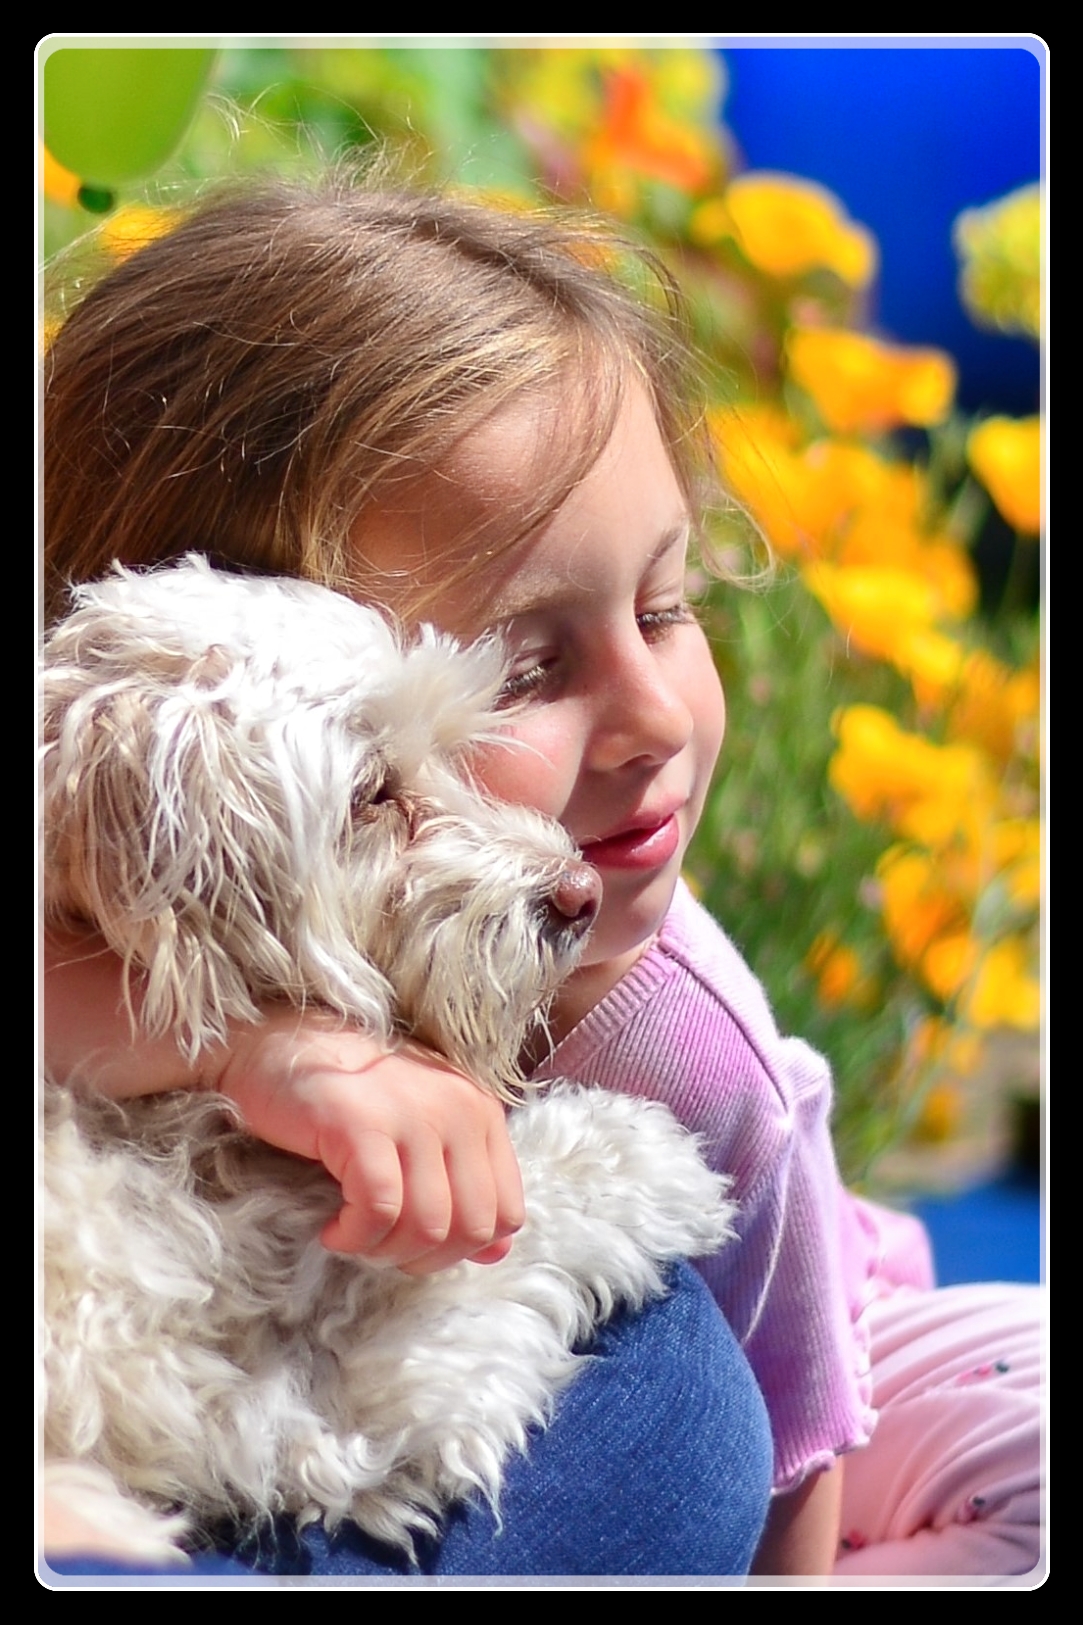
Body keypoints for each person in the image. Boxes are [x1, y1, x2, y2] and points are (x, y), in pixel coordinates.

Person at [42, 176, 1042, 1582]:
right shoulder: (183, 836)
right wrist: (266, 1042)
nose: (656, 716)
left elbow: (789, 1420)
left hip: (832, 1352)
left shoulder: (677, 1029)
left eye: (667, 606)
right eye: (525, 664)